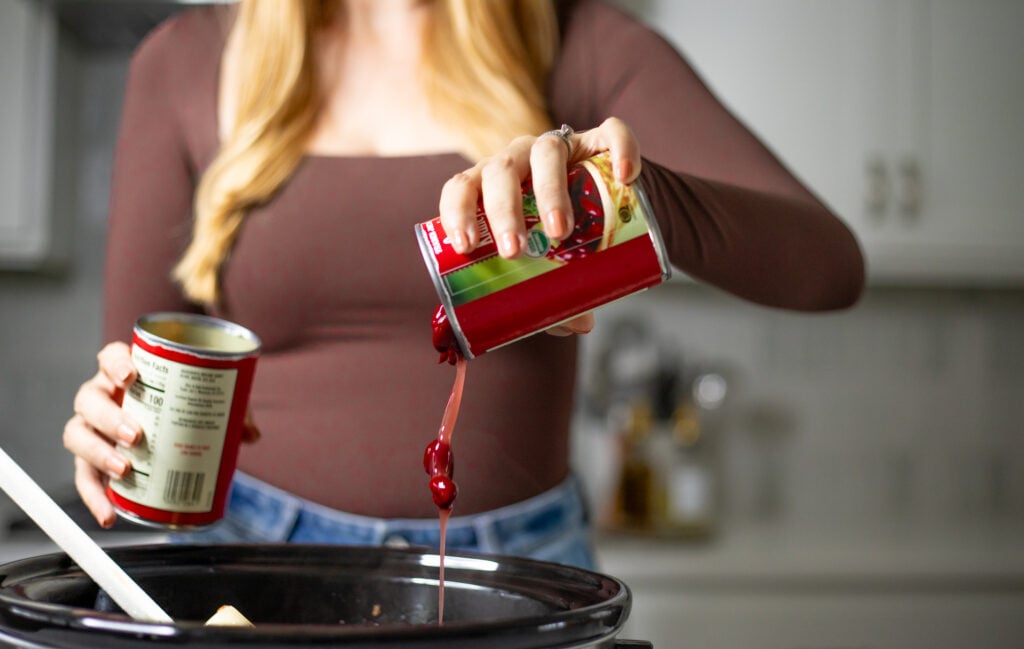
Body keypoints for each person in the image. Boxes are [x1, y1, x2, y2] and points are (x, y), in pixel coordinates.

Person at [62, 0, 864, 570]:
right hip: (244, 563)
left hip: (517, 573)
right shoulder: (183, 62)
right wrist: (115, 429)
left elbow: (830, 266)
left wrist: (634, 198)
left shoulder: (582, 42)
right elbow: (139, 386)